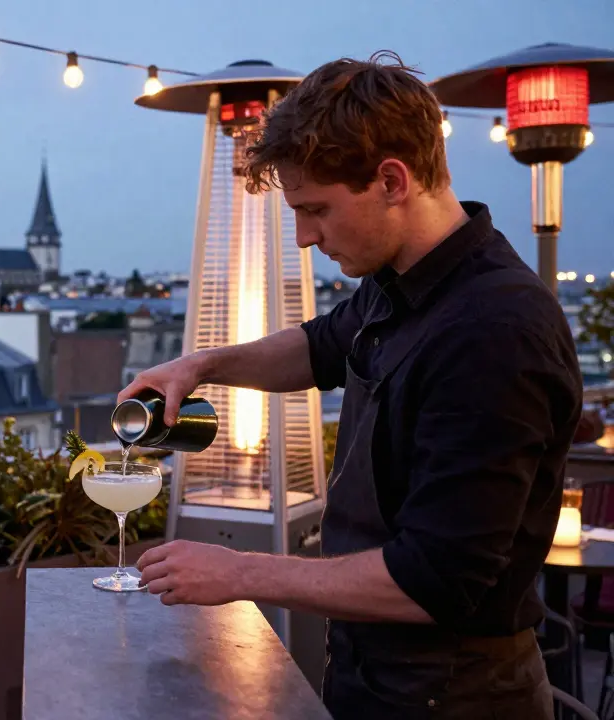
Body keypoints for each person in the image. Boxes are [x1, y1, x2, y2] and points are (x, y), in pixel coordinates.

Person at [124, 52, 581, 719]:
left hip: (454, 694)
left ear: (393, 181)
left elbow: (433, 581)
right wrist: (201, 366)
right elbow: (319, 347)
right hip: (378, 677)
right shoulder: (402, 283)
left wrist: (237, 572)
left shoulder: (495, 328)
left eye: (316, 210)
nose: (305, 237)